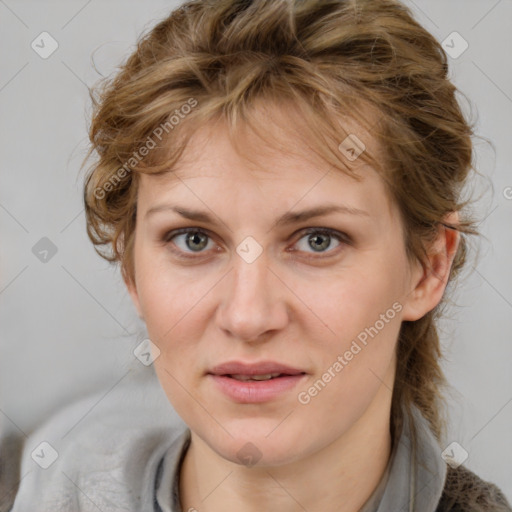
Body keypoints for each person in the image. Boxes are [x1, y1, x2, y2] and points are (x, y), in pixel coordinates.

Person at [10, 0, 511, 510]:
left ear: (429, 268)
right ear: (131, 269)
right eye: (194, 240)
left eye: (319, 240)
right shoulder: (52, 485)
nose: (248, 316)